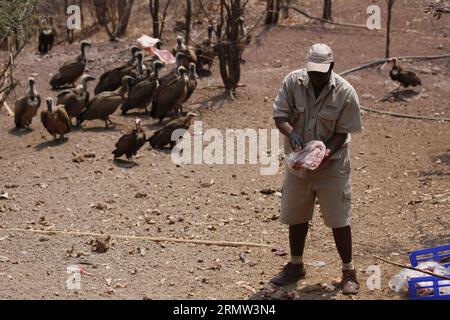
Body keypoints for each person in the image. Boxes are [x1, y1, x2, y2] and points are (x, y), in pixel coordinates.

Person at [271, 43, 363, 295]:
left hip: (332, 165)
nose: (315, 77)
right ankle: (295, 265)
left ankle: (348, 272)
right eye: (312, 71)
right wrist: (292, 132)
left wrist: (325, 153)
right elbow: (280, 116)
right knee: (296, 214)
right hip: (298, 163)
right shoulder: (293, 82)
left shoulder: (345, 93)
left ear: (331, 67)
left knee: (338, 218)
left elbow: (342, 133)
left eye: (321, 72)